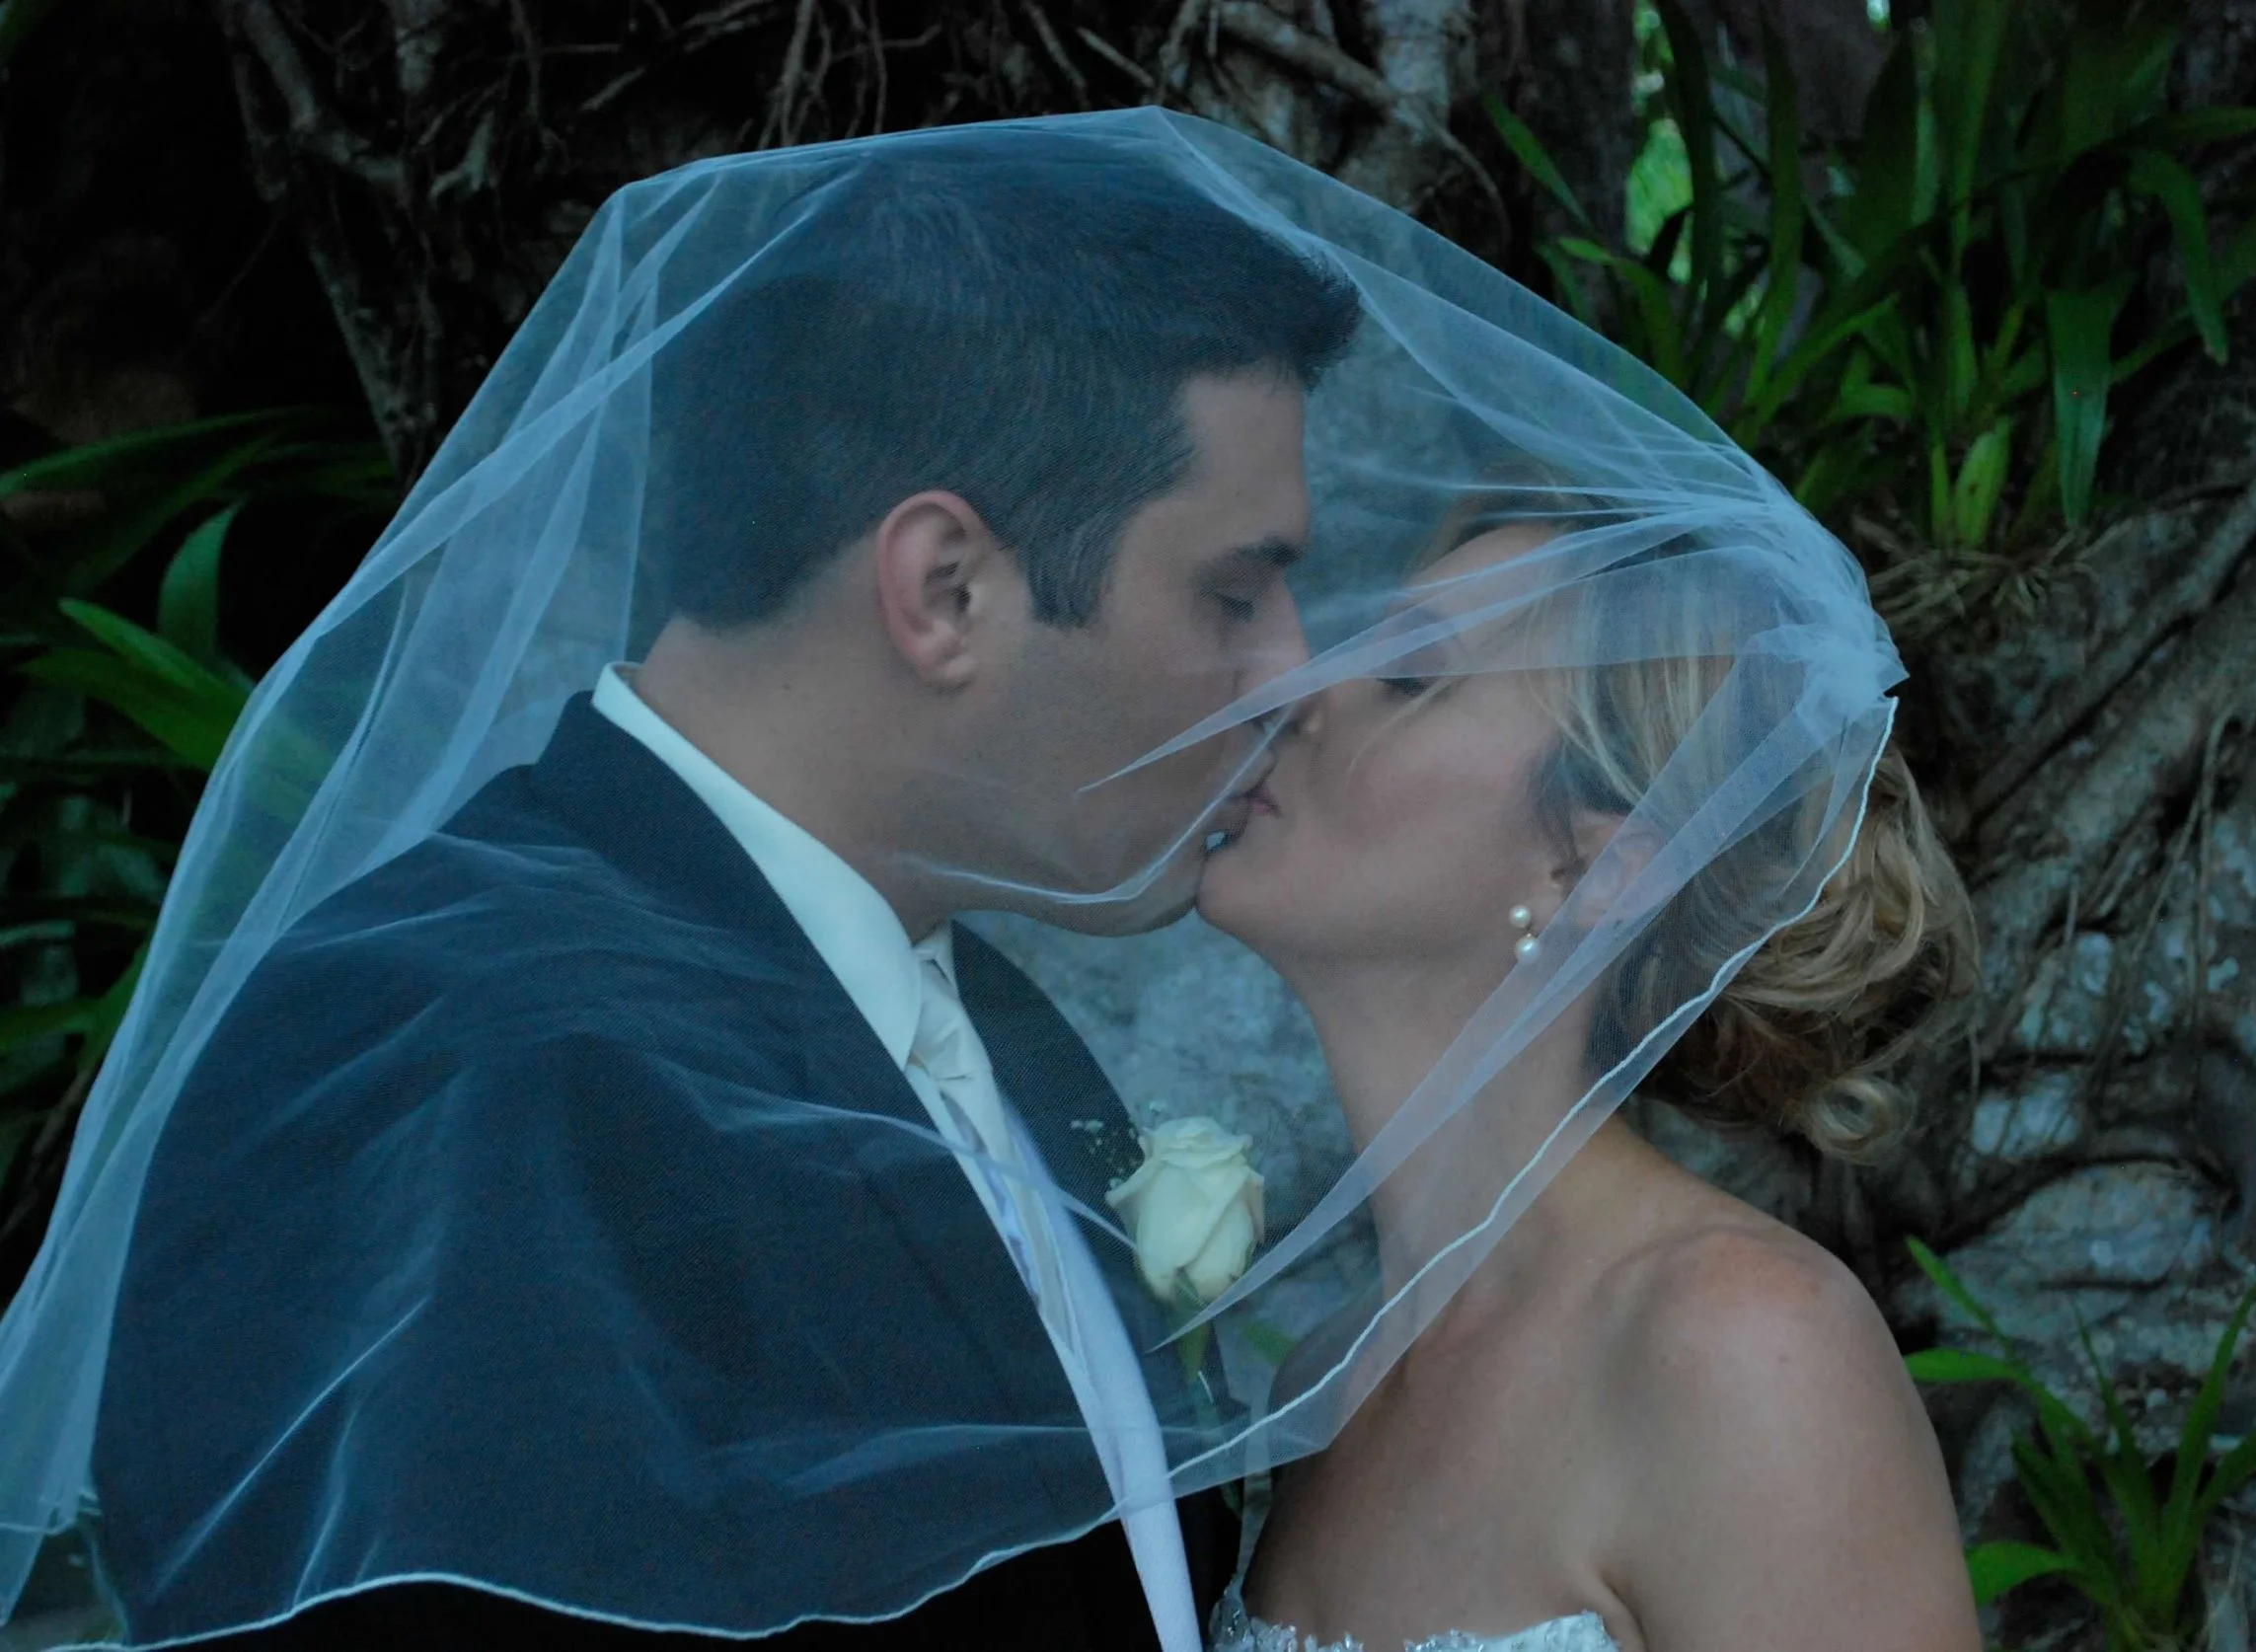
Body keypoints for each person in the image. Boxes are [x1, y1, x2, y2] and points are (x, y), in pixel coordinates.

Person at [83, 131, 1357, 1649]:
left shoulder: (987, 1022)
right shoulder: (441, 1051)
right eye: (1232, 590)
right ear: (944, 587)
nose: (1294, 672)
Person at [1195, 513, 1983, 1652]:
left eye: (1412, 676)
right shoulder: (1327, 1385)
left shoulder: (1743, 1350)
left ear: (1602, 866)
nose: (1301, 693)